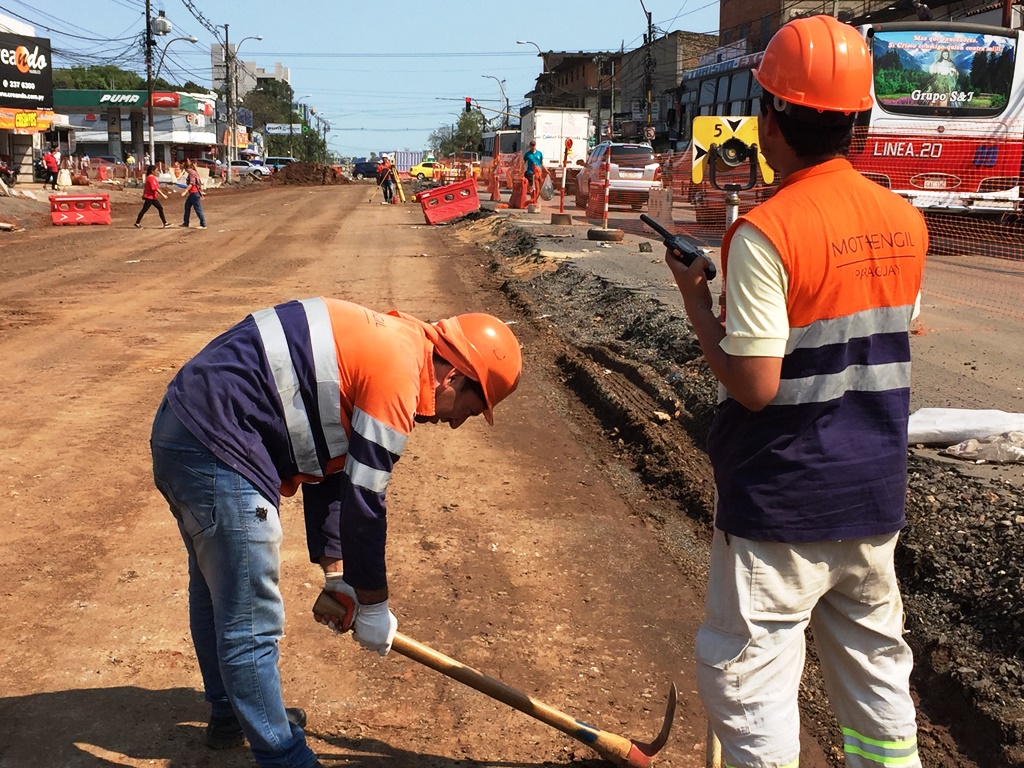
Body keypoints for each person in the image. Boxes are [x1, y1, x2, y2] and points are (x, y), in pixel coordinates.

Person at [663, 15, 928, 768]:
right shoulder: (906, 220)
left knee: (749, 681)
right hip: (873, 499)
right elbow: (902, 326)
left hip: (783, 501)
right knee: (877, 676)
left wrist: (695, 305)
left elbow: (755, 384)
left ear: (771, 118)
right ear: (854, 120)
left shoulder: (768, 233)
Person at [151, 301, 522, 768]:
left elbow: (328, 467)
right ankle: (285, 759)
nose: (453, 423)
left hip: (186, 427)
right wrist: (375, 603)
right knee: (249, 617)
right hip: (217, 444)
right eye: (469, 409)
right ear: (454, 376)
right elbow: (365, 507)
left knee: (216, 591)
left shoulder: (393, 345)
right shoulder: (397, 377)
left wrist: (338, 574)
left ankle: (231, 714)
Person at [181, 160, 207, 229]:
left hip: (194, 193)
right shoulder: (193, 172)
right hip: (193, 193)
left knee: (198, 209)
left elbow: (191, 184)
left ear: (187, 168)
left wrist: (185, 191)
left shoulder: (192, 173)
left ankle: (203, 224)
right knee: (187, 206)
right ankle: (186, 222)